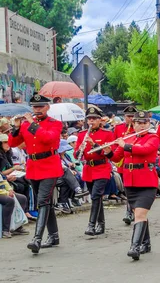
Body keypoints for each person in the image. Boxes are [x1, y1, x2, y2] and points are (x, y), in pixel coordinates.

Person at [8, 94, 63, 253]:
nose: (37, 110)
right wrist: (17, 127)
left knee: (43, 201)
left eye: (40, 107)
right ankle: (53, 236)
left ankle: (37, 238)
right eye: (34, 107)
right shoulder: (25, 124)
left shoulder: (55, 124)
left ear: (47, 107)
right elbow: (12, 143)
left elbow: (47, 139)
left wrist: (32, 123)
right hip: (33, 166)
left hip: (50, 166)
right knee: (46, 203)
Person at [109, 111, 159, 260]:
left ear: (148, 124)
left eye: (144, 123)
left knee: (139, 214)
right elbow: (116, 157)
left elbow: (145, 150)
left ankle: (134, 247)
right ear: (134, 124)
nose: (141, 125)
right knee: (139, 213)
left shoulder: (153, 137)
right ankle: (146, 242)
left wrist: (126, 145)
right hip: (130, 181)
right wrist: (106, 152)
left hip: (147, 181)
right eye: (138, 122)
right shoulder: (128, 137)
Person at [74, 106, 115, 236]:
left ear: (99, 120)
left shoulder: (107, 134)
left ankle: (91, 225)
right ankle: (101, 224)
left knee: (96, 195)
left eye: (94, 119)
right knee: (95, 198)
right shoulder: (82, 134)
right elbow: (76, 156)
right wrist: (80, 149)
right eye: (89, 119)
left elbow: (107, 153)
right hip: (88, 169)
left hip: (102, 168)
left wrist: (93, 144)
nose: (91, 121)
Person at [114, 105, 137, 225]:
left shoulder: (139, 129)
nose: (131, 119)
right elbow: (114, 143)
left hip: (133, 161)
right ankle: (130, 210)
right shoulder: (118, 128)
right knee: (127, 188)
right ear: (124, 117)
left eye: (133, 116)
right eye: (128, 116)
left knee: (133, 188)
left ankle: (130, 211)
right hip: (121, 161)